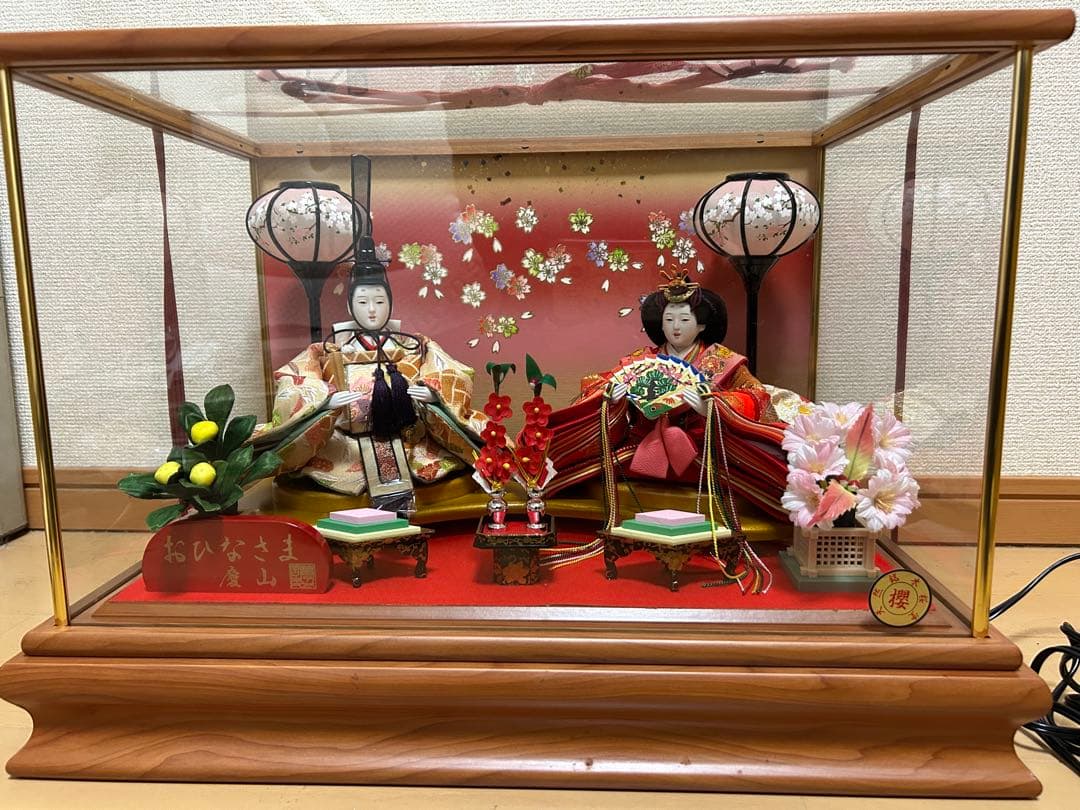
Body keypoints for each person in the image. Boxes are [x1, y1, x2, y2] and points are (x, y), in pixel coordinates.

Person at [252, 240, 485, 514]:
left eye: (379, 301)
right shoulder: (329, 350)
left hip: (409, 439)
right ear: (350, 306)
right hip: (348, 443)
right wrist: (324, 401)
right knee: (335, 468)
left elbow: (452, 372)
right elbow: (294, 378)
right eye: (363, 302)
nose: (372, 309)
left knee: (430, 463)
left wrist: (434, 393)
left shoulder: (413, 345)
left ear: (391, 304)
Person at [546, 272, 792, 520]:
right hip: (643, 444)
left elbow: (756, 396)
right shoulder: (641, 360)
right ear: (660, 325)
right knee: (574, 473)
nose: (676, 327)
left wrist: (712, 406)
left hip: (703, 449)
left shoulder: (722, 361)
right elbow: (599, 384)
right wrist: (612, 398)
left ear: (701, 325)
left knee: (766, 481)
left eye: (685, 319)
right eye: (669, 319)